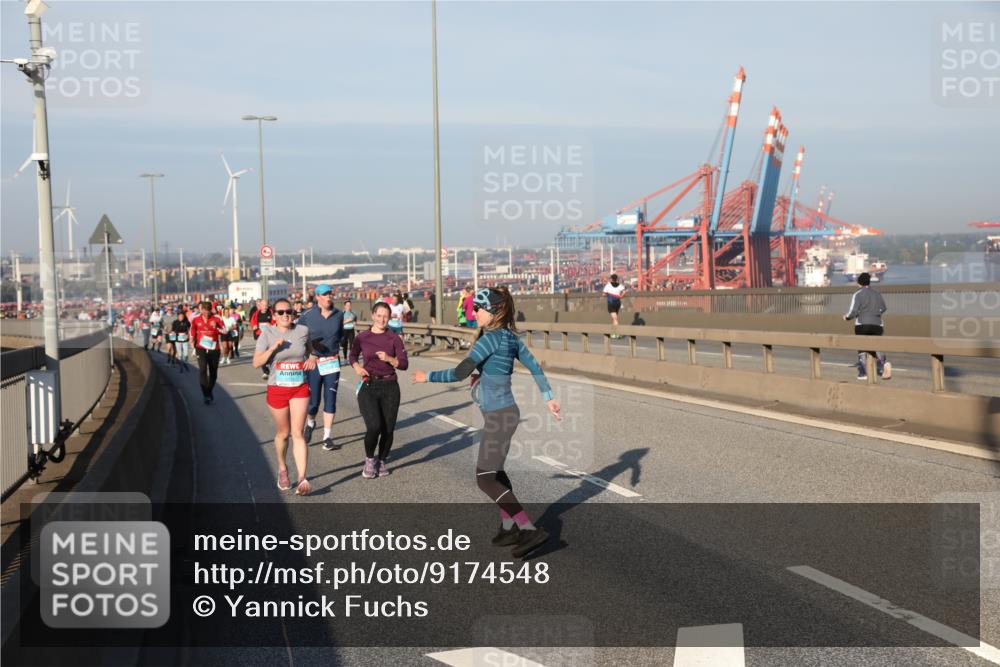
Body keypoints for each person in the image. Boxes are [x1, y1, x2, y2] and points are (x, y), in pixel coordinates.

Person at [412, 286, 560, 559]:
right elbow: (535, 367)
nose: (473, 312)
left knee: (484, 478)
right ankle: (508, 526)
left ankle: (527, 528)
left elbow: (459, 372)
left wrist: (426, 377)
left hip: (500, 417)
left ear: (492, 312)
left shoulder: (488, 340)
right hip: (506, 414)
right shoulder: (510, 338)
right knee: (496, 472)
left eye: (477, 308)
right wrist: (548, 398)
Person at [254, 297, 316, 495]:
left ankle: (302, 478)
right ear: (273, 316)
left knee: (297, 433)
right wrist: (273, 348)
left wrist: (313, 357)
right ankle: (282, 468)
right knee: (283, 433)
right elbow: (256, 363)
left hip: (299, 387)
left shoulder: (302, 331)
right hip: (277, 388)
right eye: (280, 312)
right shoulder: (267, 334)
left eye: (288, 311)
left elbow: (311, 349)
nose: (285, 315)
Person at [349, 301, 408, 479]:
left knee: (388, 429)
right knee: (374, 426)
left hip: (390, 386)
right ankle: (369, 459)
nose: (382, 319)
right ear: (373, 315)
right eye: (379, 315)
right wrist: (357, 367)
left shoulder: (394, 338)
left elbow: (404, 364)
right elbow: (352, 354)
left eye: (386, 316)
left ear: (389, 318)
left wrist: (390, 358)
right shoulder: (362, 337)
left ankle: (381, 460)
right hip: (369, 385)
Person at [298, 284, 345, 451]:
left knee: (330, 399)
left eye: (330, 294)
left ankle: (327, 437)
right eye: (325, 294)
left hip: (332, 362)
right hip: (314, 364)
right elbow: (300, 340)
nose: (329, 297)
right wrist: (311, 354)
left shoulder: (339, 315)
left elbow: (339, 337)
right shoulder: (307, 316)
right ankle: (310, 422)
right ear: (317, 297)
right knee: (314, 402)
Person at [845, 272, 891, 381]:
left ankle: (863, 372)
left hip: (862, 324)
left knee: (862, 346)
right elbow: (883, 308)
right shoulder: (877, 294)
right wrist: (875, 313)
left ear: (859, 282)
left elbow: (853, 311)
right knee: (876, 345)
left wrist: (847, 317)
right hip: (877, 325)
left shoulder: (858, 294)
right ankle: (882, 364)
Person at [190, 301, 227, 404]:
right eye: (204, 311)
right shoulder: (196, 319)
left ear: (211, 310)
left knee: (213, 373)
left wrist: (216, 327)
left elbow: (225, 331)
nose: (206, 313)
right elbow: (193, 329)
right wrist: (192, 338)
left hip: (214, 349)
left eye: (208, 311)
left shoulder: (217, 318)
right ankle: (206, 394)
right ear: (201, 310)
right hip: (200, 348)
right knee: (202, 370)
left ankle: (209, 391)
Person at [250, 299, 274, 380]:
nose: (265, 307)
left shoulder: (271, 312)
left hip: (270, 335)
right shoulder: (257, 313)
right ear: (260, 305)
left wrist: (270, 324)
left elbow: (276, 322)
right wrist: (254, 326)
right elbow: (252, 322)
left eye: (266, 305)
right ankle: (265, 372)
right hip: (260, 335)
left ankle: (271, 368)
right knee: (262, 353)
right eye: (264, 305)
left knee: (270, 352)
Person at [603, 273, 627, 338]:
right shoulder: (620, 285)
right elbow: (625, 292)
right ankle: (613, 333)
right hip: (617, 303)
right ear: (617, 279)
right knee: (614, 318)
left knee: (615, 319)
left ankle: (617, 333)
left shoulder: (608, 285)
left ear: (611, 279)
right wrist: (621, 296)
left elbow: (604, 294)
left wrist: (608, 294)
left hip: (611, 303)